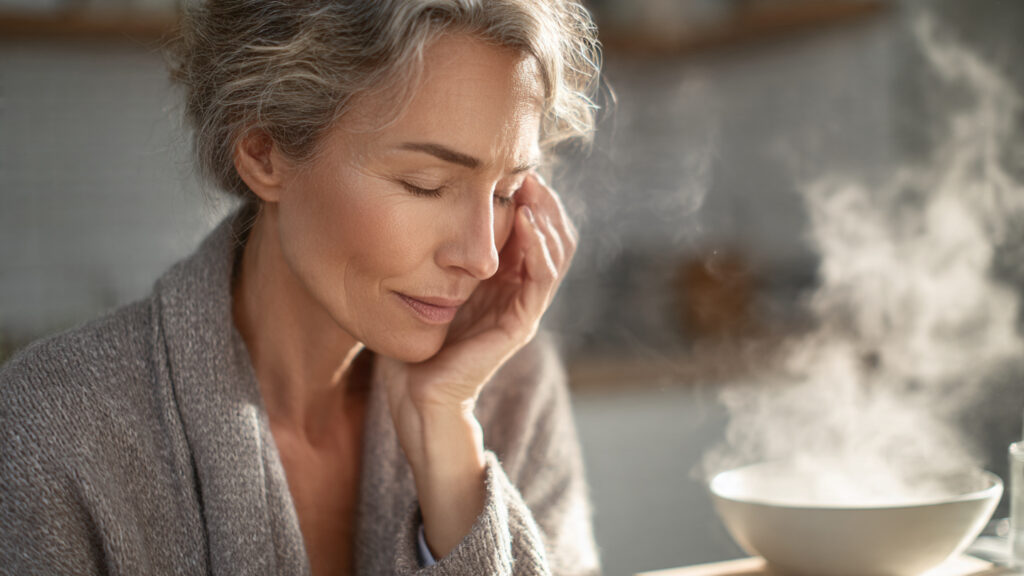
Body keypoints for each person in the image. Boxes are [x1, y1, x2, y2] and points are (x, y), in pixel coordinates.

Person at [0, 1, 603, 575]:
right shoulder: (56, 428)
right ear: (264, 152)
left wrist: (446, 442)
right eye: (425, 183)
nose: (482, 257)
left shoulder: (511, 393)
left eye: (505, 193)